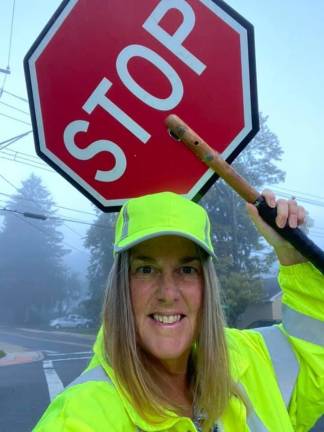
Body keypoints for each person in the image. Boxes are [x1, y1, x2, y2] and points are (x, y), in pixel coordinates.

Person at [33, 190, 324, 431]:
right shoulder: (78, 417)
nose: (168, 293)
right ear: (121, 287)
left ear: (206, 286)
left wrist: (294, 259)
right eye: (146, 270)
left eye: (186, 270)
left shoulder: (248, 357)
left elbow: (316, 357)